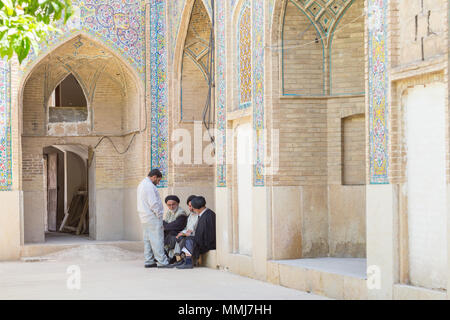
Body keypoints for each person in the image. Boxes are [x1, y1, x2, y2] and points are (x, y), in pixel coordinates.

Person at [137, 169, 172, 268]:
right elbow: (153, 203)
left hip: (144, 217)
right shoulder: (149, 186)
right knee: (157, 240)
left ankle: (149, 261)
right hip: (152, 217)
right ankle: (162, 262)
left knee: (148, 240)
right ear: (154, 177)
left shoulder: (142, 184)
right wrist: (159, 215)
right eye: (158, 180)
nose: (158, 182)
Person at [175, 196, 216, 269]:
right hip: (202, 240)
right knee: (184, 238)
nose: (192, 209)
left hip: (208, 243)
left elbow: (209, 234)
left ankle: (188, 262)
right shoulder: (203, 214)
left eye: (192, 207)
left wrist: (192, 236)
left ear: (196, 208)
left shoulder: (209, 215)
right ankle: (184, 259)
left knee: (189, 240)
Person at [172, 195, 200, 263]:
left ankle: (186, 260)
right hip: (188, 234)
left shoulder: (199, 215)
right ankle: (179, 258)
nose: (191, 208)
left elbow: (196, 230)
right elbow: (187, 228)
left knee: (184, 239)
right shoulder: (190, 215)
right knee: (177, 236)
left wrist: (186, 233)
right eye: (189, 206)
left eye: (192, 206)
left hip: (194, 236)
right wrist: (182, 232)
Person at [163, 195, 188, 262]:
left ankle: (171, 257)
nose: (171, 207)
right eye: (169, 205)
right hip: (171, 233)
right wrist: (166, 226)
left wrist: (166, 226)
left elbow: (178, 225)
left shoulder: (181, 213)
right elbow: (165, 223)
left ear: (177, 203)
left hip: (178, 234)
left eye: (173, 204)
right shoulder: (169, 212)